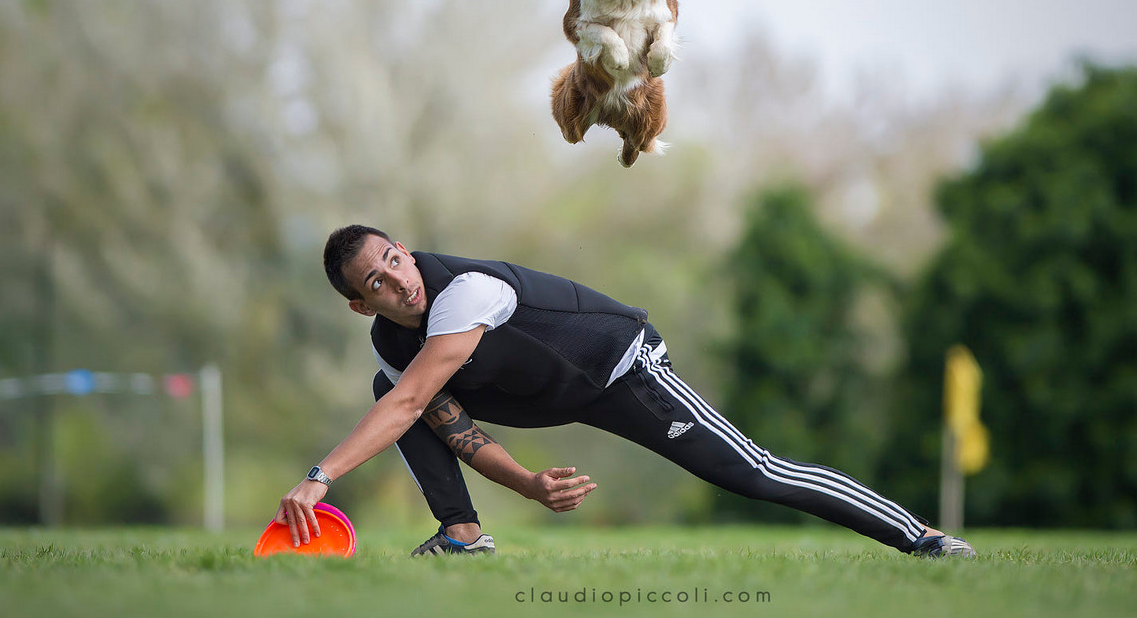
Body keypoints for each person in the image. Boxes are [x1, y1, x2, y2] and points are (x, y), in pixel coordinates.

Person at [274, 224, 976, 559]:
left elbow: (400, 411)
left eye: (394, 260)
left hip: (623, 367)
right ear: (362, 306)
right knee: (394, 389)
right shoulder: (392, 346)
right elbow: (449, 425)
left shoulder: (464, 293)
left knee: (751, 474)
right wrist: (525, 485)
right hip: (554, 395)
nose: (399, 281)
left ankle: (922, 538)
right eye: (377, 284)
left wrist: (318, 477)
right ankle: (462, 537)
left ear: (403, 245)